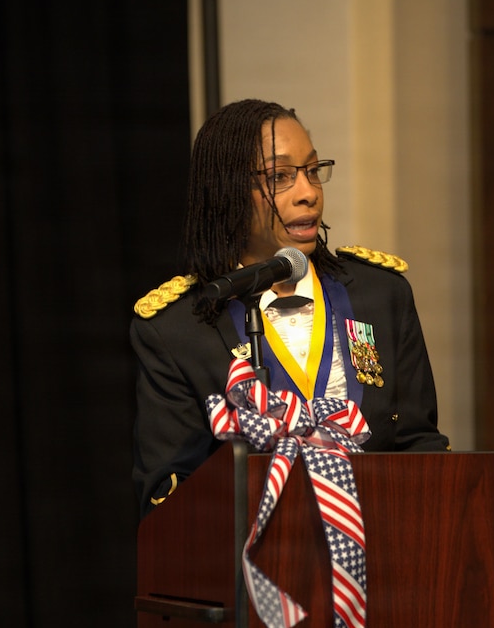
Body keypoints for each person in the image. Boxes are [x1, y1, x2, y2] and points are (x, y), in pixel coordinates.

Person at [130, 99, 448, 518]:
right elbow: (170, 500)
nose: (308, 193)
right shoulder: (178, 329)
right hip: (250, 554)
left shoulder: (381, 295)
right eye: (280, 177)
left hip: (383, 544)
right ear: (227, 191)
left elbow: (421, 448)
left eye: (313, 171)